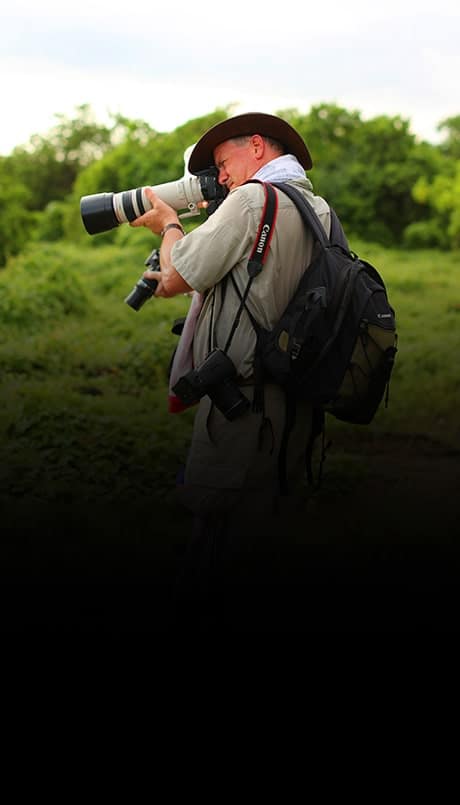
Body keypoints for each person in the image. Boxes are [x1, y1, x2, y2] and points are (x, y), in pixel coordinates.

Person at [130, 113, 331, 628]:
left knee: (214, 552)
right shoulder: (317, 207)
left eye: (223, 163)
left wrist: (168, 224)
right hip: (294, 407)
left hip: (241, 412)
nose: (221, 178)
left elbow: (176, 275)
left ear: (258, 147)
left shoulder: (251, 201)